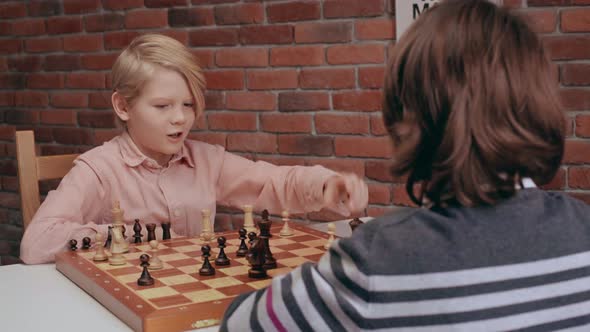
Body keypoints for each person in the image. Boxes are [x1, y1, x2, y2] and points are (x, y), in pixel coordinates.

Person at [220, 0, 590, 331]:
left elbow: (240, 324)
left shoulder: (376, 261)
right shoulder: (584, 227)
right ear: (542, 107)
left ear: (404, 118)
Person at [20, 34, 368, 264]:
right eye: (162, 106)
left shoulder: (206, 160)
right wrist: (117, 235)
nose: (180, 119)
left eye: (188, 104)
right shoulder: (98, 169)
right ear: (123, 107)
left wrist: (326, 186)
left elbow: (270, 183)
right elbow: (36, 243)